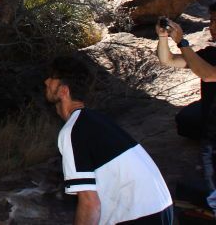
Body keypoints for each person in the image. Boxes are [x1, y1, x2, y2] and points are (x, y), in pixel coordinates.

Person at [45, 56, 173, 224]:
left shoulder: (73, 130)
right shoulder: (97, 120)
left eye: (53, 78)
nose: (47, 81)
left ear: (64, 90)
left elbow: (90, 204)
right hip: (161, 208)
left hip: (140, 216)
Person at [155, 8, 216, 212]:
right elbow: (168, 60)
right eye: (211, 21)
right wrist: (164, 38)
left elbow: (207, 74)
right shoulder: (211, 53)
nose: (211, 27)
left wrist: (182, 42)